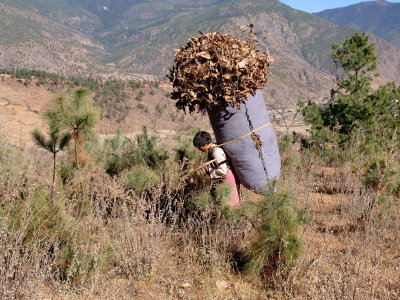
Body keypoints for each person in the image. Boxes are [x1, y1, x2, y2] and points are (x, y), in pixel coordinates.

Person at [193, 131, 240, 208]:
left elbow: (223, 170)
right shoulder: (213, 149)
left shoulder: (216, 152)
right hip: (225, 178)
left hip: (227, 179)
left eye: (198, 146)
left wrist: (209, 171)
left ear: (204, 144)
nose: (199, 149)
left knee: (230, 205)